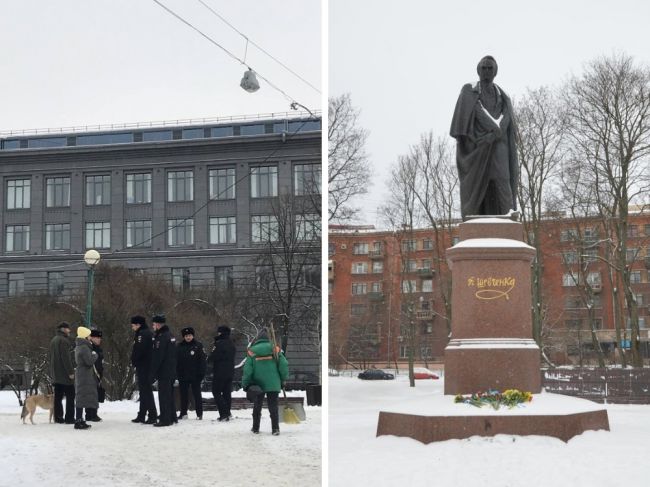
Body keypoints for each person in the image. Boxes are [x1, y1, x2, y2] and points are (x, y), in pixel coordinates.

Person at [450, 55, 519, 220]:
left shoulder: (503, 96)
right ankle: (475, 218)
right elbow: (476, 113)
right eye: (484, 68)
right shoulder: (469, 90)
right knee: (479, 183)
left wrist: (497, 132)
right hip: (478, 147)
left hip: (499, 146)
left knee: (503, 179)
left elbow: (507, 116)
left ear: (495, 72)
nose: (486, 71)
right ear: (478, 70)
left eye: (490, 68)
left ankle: (509, 215)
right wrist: (492, 131)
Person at [242, 331, 289, 436]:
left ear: (257, 339)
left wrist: (245, 383)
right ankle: (275, 428)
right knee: (273, 406)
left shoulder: (251, 351)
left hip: (257, 384)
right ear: (268, 339)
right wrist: (283, 379)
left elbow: (247, 370)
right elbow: (284, 365)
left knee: (257, 405)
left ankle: (255, 428)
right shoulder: (275, 349)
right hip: (273, 382)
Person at [151, 314, 177, 427]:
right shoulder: (170, 335)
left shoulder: (161, 337)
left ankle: (165, 419)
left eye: (154, 324)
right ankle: (172, 416)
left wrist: (153, 371)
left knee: (164, 395)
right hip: (171, 370)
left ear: (158, 324)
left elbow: (158, 356)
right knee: (169, 394)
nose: (153, 326)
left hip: (164, 371)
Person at [130, 315, 157, 424]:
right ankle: (142, 414)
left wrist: (134, 360)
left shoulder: (142, 334)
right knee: (144, 391)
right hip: (146, 365)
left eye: (133, 325)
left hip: (144, 366)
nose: (132, 328)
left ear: (138, 325)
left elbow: (139, 350)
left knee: (146, 391)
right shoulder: (146, 333)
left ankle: (152, 414)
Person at [176, 326, 206, 420]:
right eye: (186, 336)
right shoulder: (179, 346)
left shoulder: (198, 345)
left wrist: (201, 374)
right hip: (183, 375)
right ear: (183, 337)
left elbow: (202, 361)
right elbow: (176, 361)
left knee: (197, 395)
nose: (188, 337)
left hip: (195, 375)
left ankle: (199, 414)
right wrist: (177, 373)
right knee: (183, 395)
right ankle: (183, 413)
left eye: (189, 335)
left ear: (192, 335)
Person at [48, 321, 75, 424]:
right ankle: (69, 418)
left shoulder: (53, 340)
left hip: (56, 374)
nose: (69, 330)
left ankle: (58, 418)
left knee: (58, 397)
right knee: (70, 396)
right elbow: (66, 358)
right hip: (64, 375)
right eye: (68, 328)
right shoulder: (64, 341)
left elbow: (51, 357)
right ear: (63, 329)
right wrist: (70, 372)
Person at [73, 326, 98, 430]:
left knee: (81, 396)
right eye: (89, 335)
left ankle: (80, 419)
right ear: (85, 336)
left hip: (82, 374)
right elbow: (89, 362)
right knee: (81, 397)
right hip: (84, 375)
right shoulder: (84, 347)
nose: (90, 337)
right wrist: (94, 355)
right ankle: (78, 420)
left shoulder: (80, 346)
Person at [209, 325, 236, 422]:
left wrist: (208, 359)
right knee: (226, 393)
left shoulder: (219, 343)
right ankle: (228, 413)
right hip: (230, 371)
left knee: (216, 392)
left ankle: (224, 413)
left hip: (220, 371)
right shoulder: (231, 343)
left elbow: (213, 356)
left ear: (221, 333)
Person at [85, 329, 104, 422]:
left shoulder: (98, 348)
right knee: (90, 395)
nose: (99, 339)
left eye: (100, 338)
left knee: (95, 394)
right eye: (97, 338)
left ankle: (94, 413)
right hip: (91, 374)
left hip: (98, 374)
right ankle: (89, 414)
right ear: (92, 338)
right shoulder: (90, 348)